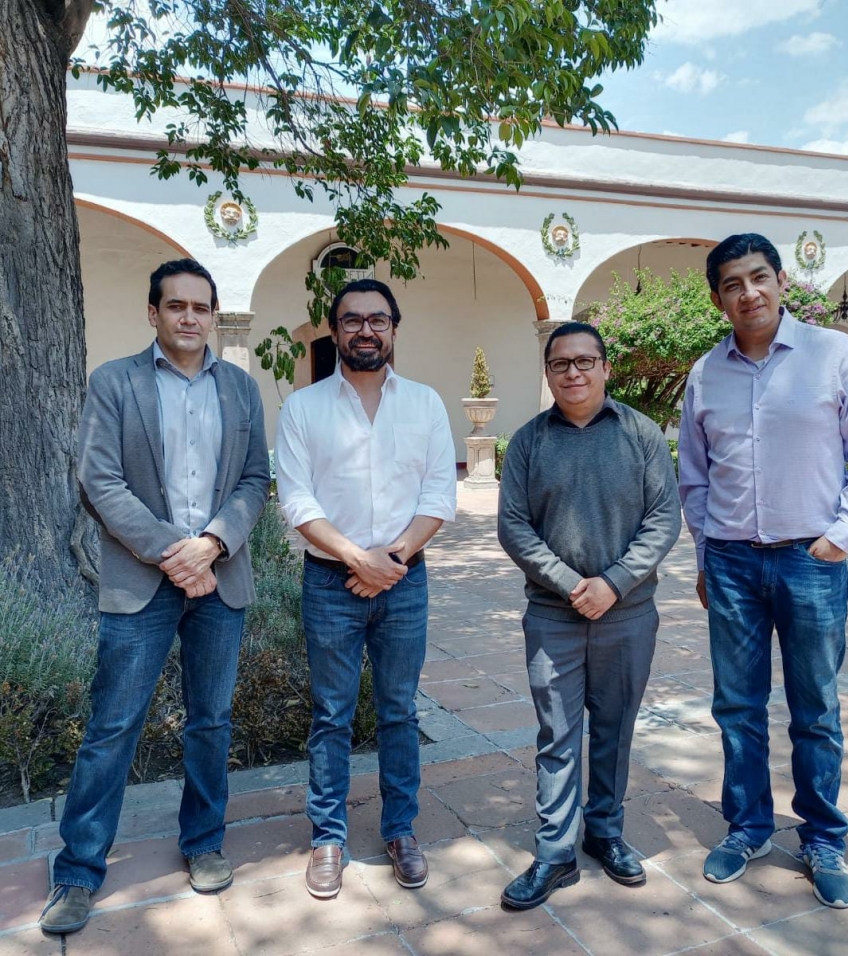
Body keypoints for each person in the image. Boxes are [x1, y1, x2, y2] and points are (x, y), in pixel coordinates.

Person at [39, 259, 270, 935]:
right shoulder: (115, 382)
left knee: (211, 721)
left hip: (219, 578)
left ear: (213, 315)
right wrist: (178, 553)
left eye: (201, 307)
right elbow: (100, 481)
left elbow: (255, 479)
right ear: (154, 313)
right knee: (113, 727)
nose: (190, 317)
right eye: (176, 306)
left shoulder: (240, 387)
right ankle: (79, 870)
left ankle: (203, 842)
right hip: (143, 582)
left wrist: (213, 545)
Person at [678, 233, 848, 909]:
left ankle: (823, 837)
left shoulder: (833, 354)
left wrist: (839, 539)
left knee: (816, 709)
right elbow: (694, 478)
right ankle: (747, 826)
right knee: (737, 707)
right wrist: (705, 556)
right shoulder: (704, 374)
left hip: (811, 561)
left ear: (780, 281)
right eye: (732, 284)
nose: (748, 293)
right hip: (732, 563)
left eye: (758, 277)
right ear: (717, 300)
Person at [275, 278, 456, 900]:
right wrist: (358, 558)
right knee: (332, 713)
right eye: (352, 320)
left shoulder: (425, 404)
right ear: (335, 331)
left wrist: (392, 559)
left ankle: (400, 829)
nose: (366, 330)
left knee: (400, 709)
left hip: (404, 578)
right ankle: (328, 837)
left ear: (394, 329)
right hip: (331, 580)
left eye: (378, 319)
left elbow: (439, 494)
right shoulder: (303, 408)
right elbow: (296, 500)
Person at [497, 322, 681, 910]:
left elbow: (664, 519)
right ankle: (555, 851)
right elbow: (514, 527)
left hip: (628, 615)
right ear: (548, 373)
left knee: (614, 728)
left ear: (605, 367)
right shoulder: (528, 442)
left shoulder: (641, 434)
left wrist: (614, 583)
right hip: (553, 615)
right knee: (557, 733)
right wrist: (572, 584)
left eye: (584, 361)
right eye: (560, 364)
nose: (573, 372)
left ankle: (604, 830)